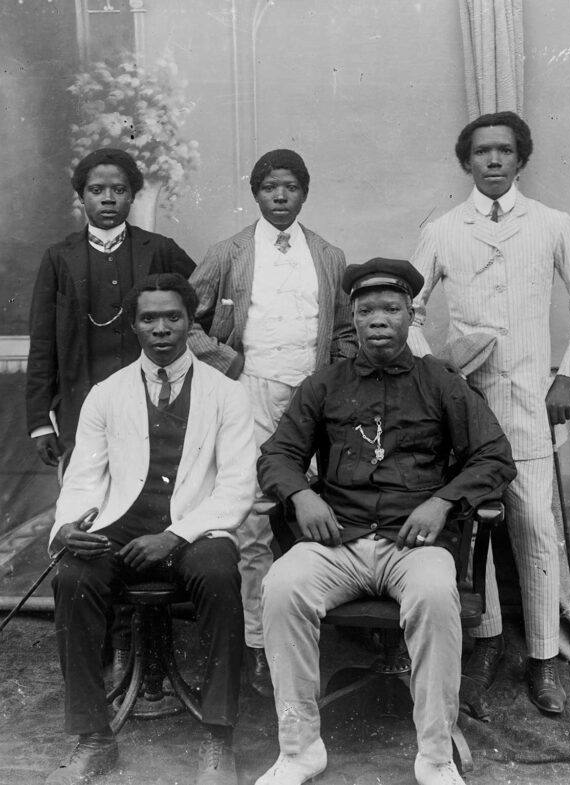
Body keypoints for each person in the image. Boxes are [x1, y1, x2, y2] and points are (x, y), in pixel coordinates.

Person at [255, 259, 516, 785]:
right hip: (337, 544)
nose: (379, 319)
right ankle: (301, 748)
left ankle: (436, 757)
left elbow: (494, 457)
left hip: (412, 545)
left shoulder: (440, 382)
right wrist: (302, 496)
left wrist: (442, 501)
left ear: (410, 315)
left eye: (391, 309)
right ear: (351, 317)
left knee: (436, 595)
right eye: (367, 309)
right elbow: (276, 456)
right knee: (281, 586)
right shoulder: (324, 383)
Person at [408, 111, 570, 715]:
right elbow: (408, 307)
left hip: (530, 405)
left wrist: (568, 376)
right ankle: (488, 645)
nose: (492, 161)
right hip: (464, 411)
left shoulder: (551, 223)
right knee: (471, 531)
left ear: (520, 159)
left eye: (503, 151)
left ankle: (544, 659)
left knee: (535, 530)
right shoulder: (444, 229)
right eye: (480, 152)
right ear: (465, 162)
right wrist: (435, 374)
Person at [44, 274, 255, 785]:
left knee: (221, 574)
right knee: (72, 577)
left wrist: (177, 535)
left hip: (197, 528)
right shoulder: (106, 394)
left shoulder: (227, 394)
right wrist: (69, 524)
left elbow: (236, 488)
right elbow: (84, 479)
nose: (161, 329)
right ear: (134, 325)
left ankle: (217, 736)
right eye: (149, 319)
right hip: (122, 524)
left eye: (173, 317)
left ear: (190, 322)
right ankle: (94, 738)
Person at [187, 149, 356, 697]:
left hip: (313, 395)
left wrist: (334, 379)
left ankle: (317, 637)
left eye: (290, 188)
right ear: (255, 194)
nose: (279, 197)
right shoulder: (229, 252)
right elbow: (183, 319)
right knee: (254, 516)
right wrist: (226, 361)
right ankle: (257, 643)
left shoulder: (329, 256)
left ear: (305, 193)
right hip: (250, 391)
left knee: (323, 505)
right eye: (269, 188)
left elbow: (346, 331)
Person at [26, 148, 196, 468]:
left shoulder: (160, 250)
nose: (108, 199)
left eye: (119, 190)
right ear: (80, 197)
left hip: (154, 405)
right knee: (88, 498)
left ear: (132, 197)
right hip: (82, 407)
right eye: (96, 190)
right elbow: (42, 344)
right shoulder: (59, 258)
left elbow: (203, 309)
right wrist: (40, 423)